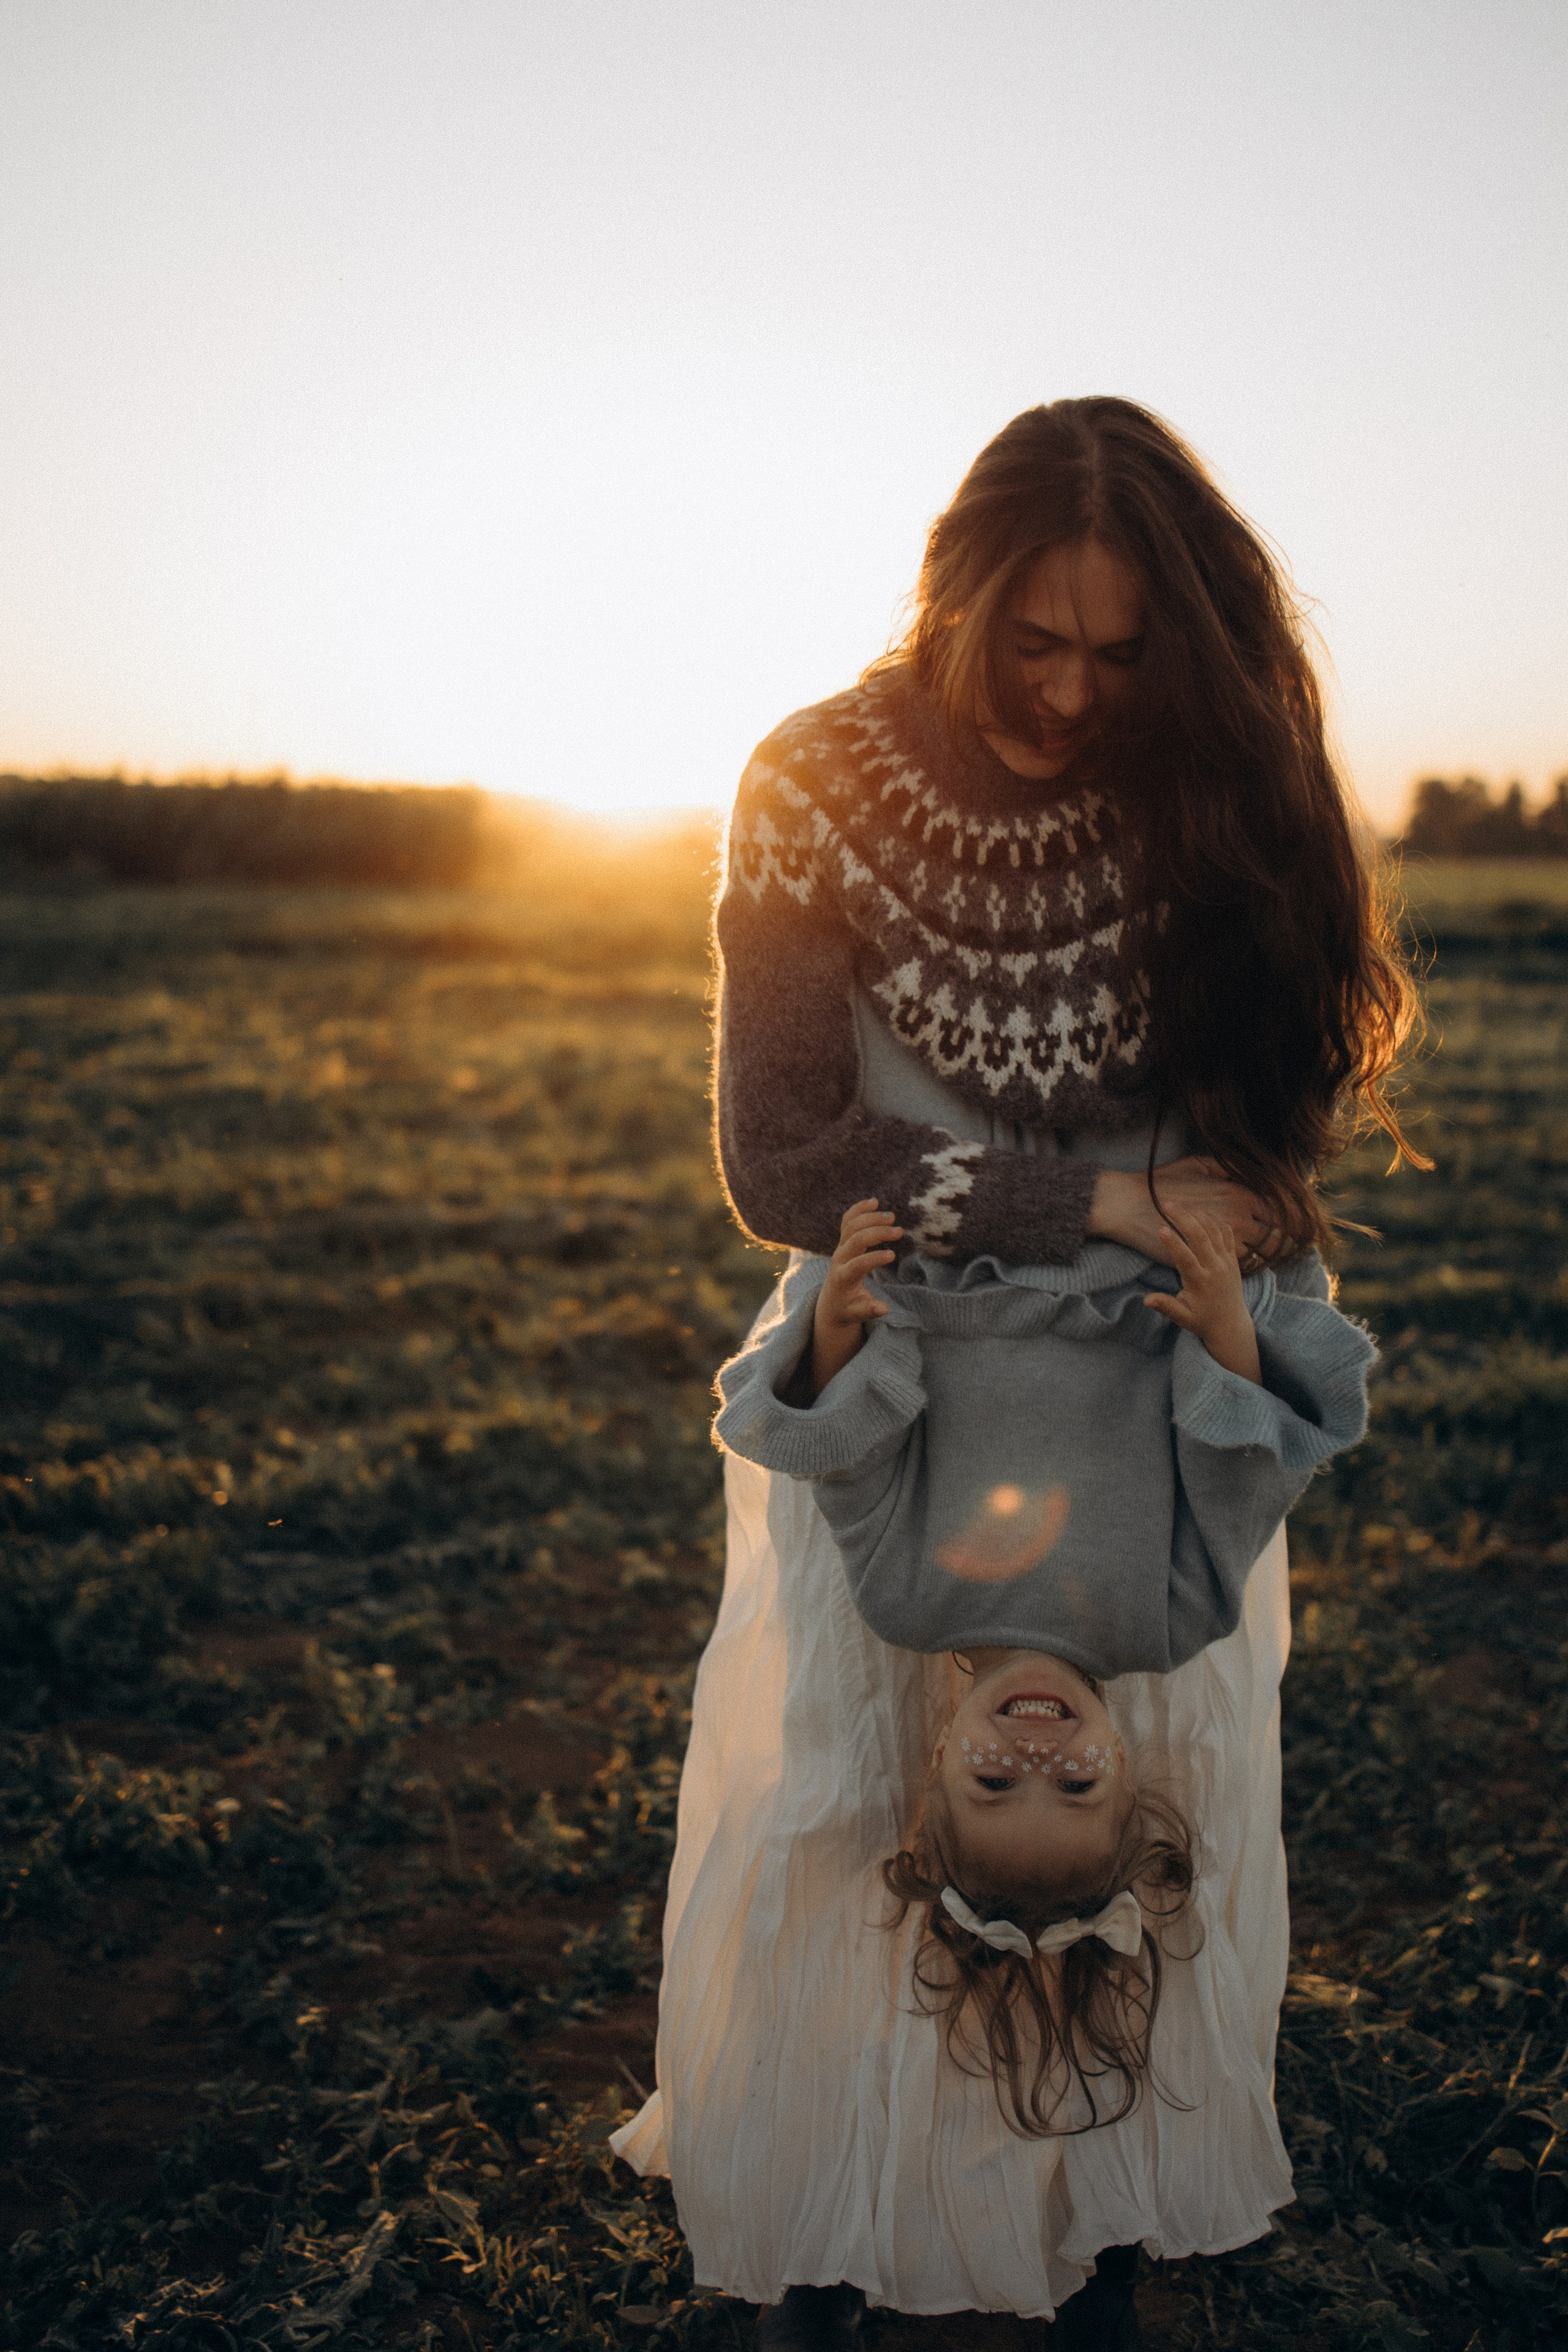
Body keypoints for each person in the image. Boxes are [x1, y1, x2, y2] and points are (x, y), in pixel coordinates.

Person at [611, 398, 1421, 2346]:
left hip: (1143, 1403)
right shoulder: (812, 778)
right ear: (954, 593)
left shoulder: (1205, 781)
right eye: (1034, 641)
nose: (1071, 688)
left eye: (1121, 652)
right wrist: (1104, 1204)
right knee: (850, 1822)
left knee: (1137, 1839)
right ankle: (822, 2272)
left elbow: (1257, 1146)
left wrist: (1188, 1240)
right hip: (889, 1380)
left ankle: (1094, 2263)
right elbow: (785, 1156)